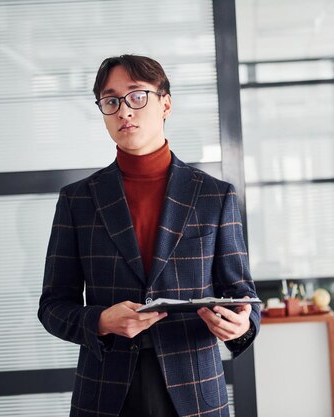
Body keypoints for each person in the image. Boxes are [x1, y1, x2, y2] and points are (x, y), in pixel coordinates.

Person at [38, 54, 260, 417]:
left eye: (137, 96)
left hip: (195, 392)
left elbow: (242, 293)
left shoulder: (214, 196)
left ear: (165, 104)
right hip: (104, 393)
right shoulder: (77, 200)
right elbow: (52, 307)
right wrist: (100, 321)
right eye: (111, 101)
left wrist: (241, 323)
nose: (125, 111)